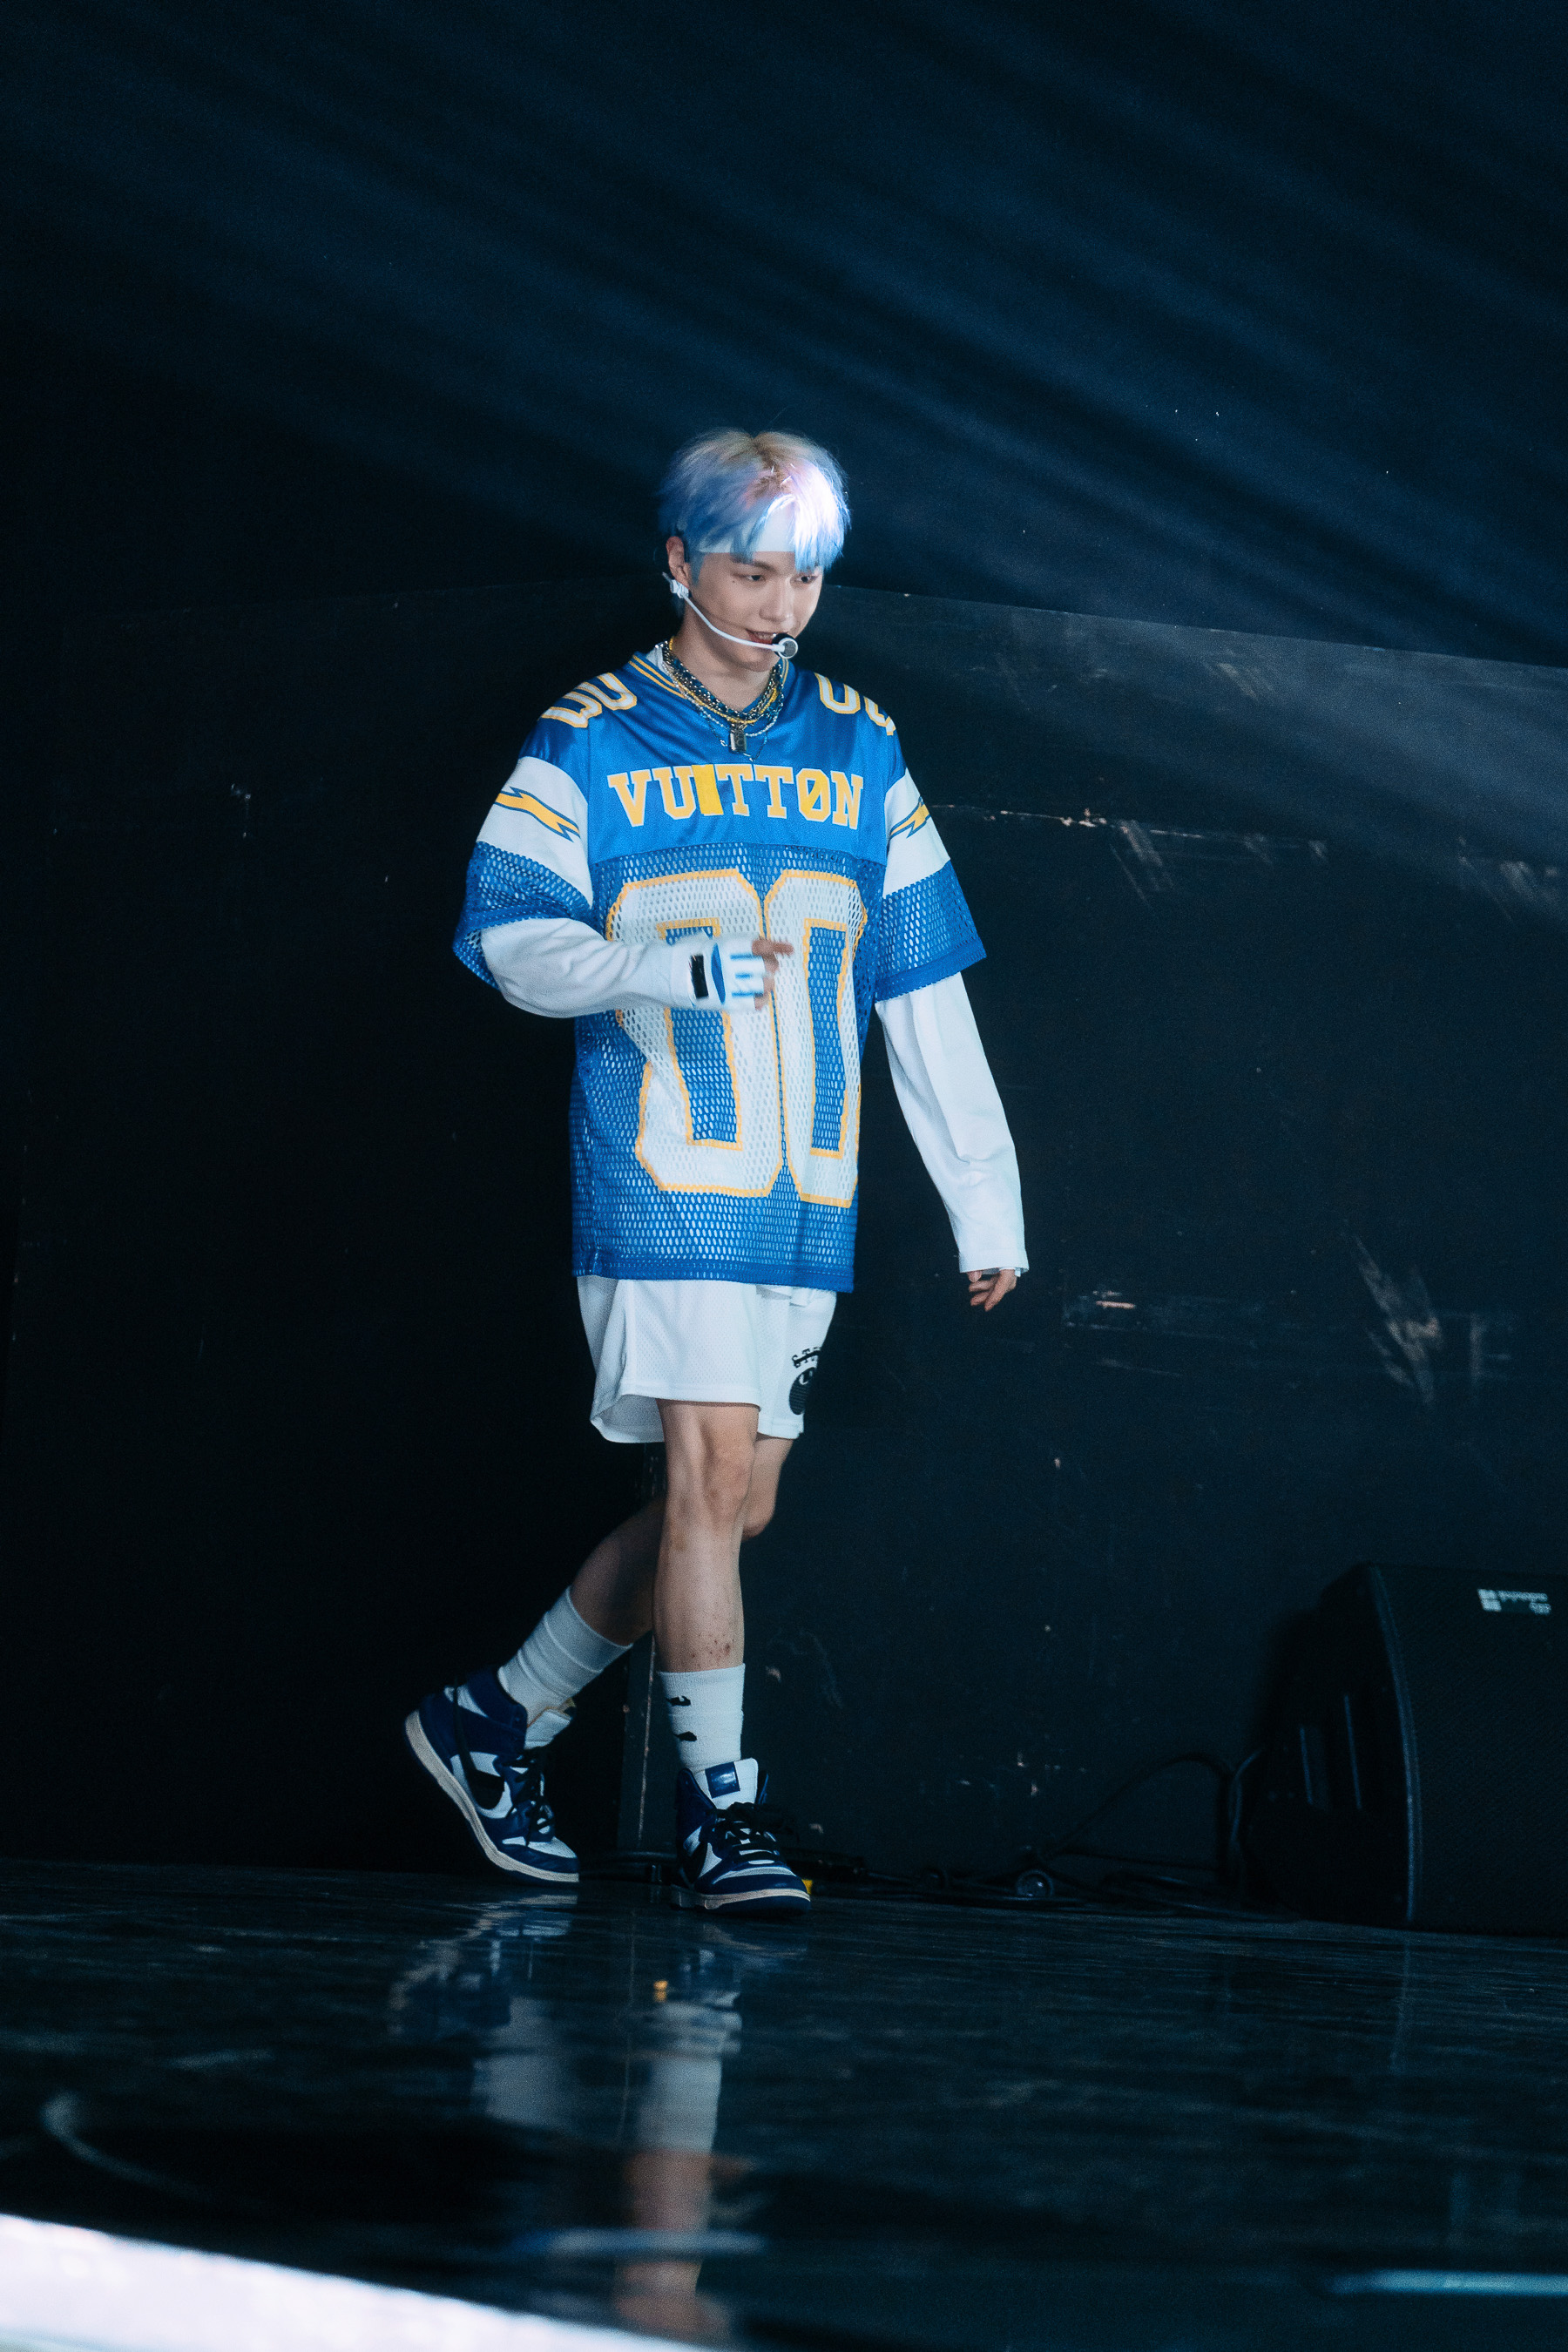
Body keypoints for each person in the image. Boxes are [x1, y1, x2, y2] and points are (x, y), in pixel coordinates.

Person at [407, 429, 1026, 1918]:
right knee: (702, 1482)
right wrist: (648, 965)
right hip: (661, 1174)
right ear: (680, 561)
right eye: (753, 573)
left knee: (737, 1510)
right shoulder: (593, 735)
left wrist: (985, 1196)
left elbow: (920, 985)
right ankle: (722, 1821)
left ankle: (493, 1714)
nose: (782, 606)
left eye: (804, 577)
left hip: (806, 1196)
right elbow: (506, 933)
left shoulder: (861, 744)